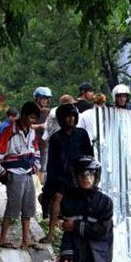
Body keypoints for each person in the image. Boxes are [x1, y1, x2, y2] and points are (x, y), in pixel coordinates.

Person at [0, 102, 42, 249]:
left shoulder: (31, 132)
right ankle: (2, 238)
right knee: (12, 208)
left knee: (28, 209)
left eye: (35, 119)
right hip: (14, 174)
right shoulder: (9, 131)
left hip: (27, 174)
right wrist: (3, 174)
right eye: (31, 118)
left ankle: (26, 240)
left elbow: (36, 152)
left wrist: (35, 167)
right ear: (24, 116)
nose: (33, 121)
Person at [41, 103, 94, 244]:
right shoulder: (56, 138)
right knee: (56, 198)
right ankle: (51, 234)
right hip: (61, 175)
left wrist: (87, 173)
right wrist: (51, 180)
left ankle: (82, 233)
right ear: (61, 118)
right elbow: (51, 162)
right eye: (67, 117)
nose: (70, 119)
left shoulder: (82, 134)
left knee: (83, 204)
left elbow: (89, 155)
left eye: (72, 116)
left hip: (79, 173)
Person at [32, 87, 52, 183]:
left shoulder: (49, 112)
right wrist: (40, 126)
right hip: (32, 143)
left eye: (47, 98)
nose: (45, 101)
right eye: (43, 98)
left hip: (45, 143)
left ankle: (41, 187)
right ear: (37, 98)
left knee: (43, 167)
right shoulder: (31, 111)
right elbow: (27, 125)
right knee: (34, 166)